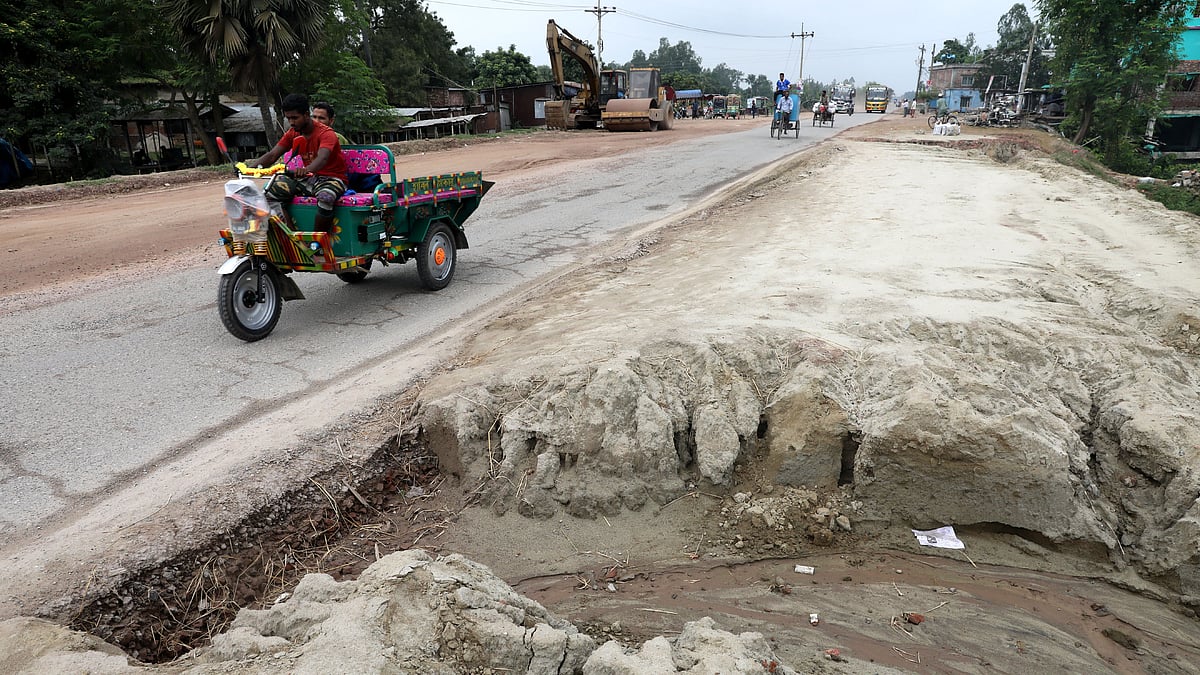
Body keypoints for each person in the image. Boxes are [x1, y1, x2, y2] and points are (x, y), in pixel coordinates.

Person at [248, 93, 348, 233]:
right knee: (268, 195)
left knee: (326, 197)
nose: (291, 122)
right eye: (288, 118)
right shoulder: (293, 133)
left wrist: (306, 170)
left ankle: (317, 241)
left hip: (332, 178)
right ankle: (292, 236)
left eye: (295, 118)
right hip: (307, 178)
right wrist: (248, 169)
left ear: (306, 114)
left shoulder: (326, 133)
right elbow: (272, 155)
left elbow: (322, 158)